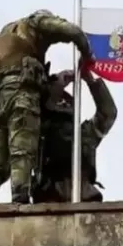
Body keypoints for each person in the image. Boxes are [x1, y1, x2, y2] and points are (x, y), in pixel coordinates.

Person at [0, 9, 94, 204]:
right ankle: (20, 202)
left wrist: (56, 81)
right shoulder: (36, 22)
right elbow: (72, 31)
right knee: (21, 151)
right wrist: (87, 54)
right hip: (20, 95)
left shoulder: (9, 31)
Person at [32, 64, 117, 203]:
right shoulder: (41, 128)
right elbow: (42, 107)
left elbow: (108, 114)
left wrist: (92, 82)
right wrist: (58, 84)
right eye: (60, 101)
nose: (64, 105)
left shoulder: (84, 134)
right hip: (51, 194)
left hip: (84, 194)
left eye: (67, 102)